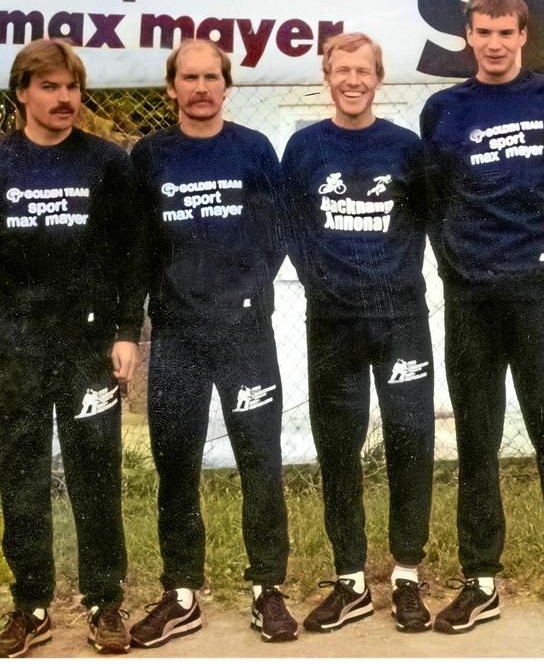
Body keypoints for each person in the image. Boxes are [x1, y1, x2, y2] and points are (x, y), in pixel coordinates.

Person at [420, 0, 544, 636]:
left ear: (524, 36)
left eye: (506, 33)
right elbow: (434, 201)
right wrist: (454, 264)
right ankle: (480, 581)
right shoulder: (444, 109)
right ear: (468, 37)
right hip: (472, 300)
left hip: (541, 296)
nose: (494, 44)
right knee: (477, 442)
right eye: (483, 32)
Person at [128, 39, 296, 647]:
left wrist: (247, 292)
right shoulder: (150, 154)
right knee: (176, 467)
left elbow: (278, 230)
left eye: (211, 77)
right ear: (171, 87)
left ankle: (267, 589)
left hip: (245, 335)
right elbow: (138, 246)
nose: (201, 88)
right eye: (189, 78)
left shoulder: (254, 148)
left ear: (227, 85)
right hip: (177, 336)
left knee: (260, 463)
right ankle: (181, 594)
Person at [280, 32, 435, 634]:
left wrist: (392, 279)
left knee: (409, 440)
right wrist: (323, 284)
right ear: (327, 76)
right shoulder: (305, 147)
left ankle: (407, 576)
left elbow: (426, 219)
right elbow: (292, 227)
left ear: (378, 78)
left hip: (400, 320)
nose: (352, 80)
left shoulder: (405, 147)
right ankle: (350, 580)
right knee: (338, 448)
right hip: (333, 322)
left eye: (362, 70)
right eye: (341, 70)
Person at [0, 38, 142, 657]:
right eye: (50, 87)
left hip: (88, 346)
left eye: (72, 87)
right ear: (22, 93)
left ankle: (105, 601)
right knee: (21, 477)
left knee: (95, 476)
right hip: (15, 347)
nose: (65, 98)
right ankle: (30, 604)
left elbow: (131, 255)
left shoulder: (106, 162)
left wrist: (126, 331)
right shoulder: (3, 161)